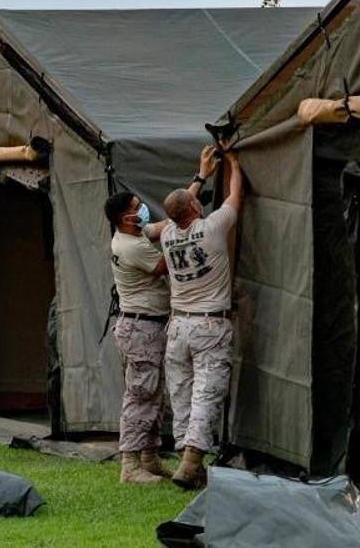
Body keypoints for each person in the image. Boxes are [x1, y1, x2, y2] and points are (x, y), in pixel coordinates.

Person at [145, 145, 243, 490]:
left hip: (178, 326)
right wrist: (232, 162)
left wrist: (201, 176)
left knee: (182, 392)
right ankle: (191, 460)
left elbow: (170, 215)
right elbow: (235, 195)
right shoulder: (213, 227)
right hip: (209, 323)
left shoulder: (167, 234)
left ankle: (190, 462)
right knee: (206, 391)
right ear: (196, 208)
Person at [104, 191, 172, 484]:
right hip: (141, 328)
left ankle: (149, 457)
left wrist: (198, 182)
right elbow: (162, 266)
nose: (142, 209)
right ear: (125, 217)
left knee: (153, 394)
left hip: (147, 326)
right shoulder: (130, 246)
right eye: (136, 207)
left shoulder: (135, 233)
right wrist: (189, 236)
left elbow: (164, 225)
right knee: (141, 394)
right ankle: (130, 464)